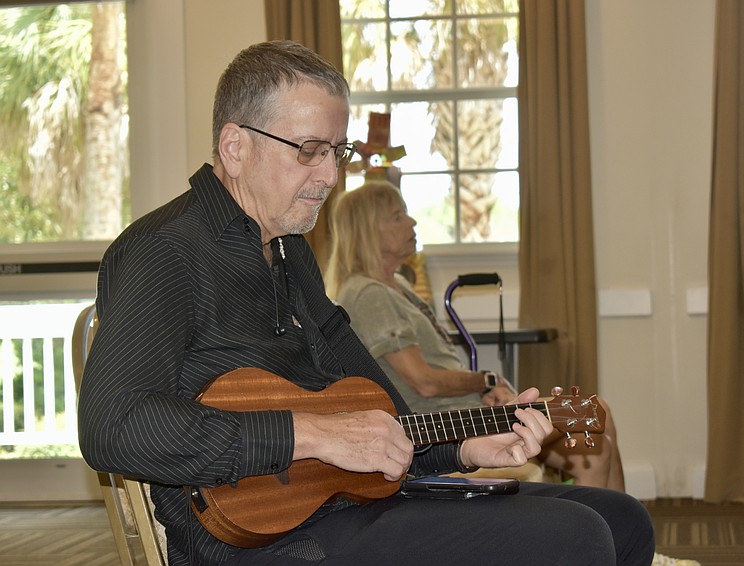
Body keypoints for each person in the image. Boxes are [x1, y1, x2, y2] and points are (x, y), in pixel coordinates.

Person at [77, 40, 654, 565]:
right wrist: (312, 434)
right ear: (235, 147)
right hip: (266, 545)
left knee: (622, 520)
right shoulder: (164, 251)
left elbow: (383, 424)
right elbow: (110, 426)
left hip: (352, 506)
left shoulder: (290, 252)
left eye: (338, 151)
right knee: (576, 535)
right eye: (309, 150)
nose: (331, 175)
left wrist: (463, 448)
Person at [325, 181, 626, 491]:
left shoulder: (397, 285)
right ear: (366, 230)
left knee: (597, 434)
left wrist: (484, 391)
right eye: (397, 216)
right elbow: (424, 382)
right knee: (594, 414)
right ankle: (596, 522)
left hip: (466, 410)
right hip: (443, 428)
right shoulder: (369, 295)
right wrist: (485, 381)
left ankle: (619, 523)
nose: (412, 221)